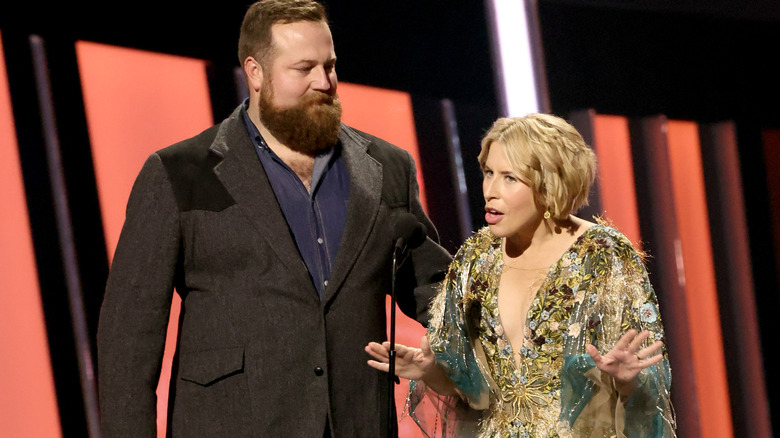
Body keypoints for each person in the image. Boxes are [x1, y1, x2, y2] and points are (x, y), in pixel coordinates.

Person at [96, 1, 452, 436]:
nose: (324, 82)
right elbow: (128, 342)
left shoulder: (387, 167)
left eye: (330, 65)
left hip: (358, 423)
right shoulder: (180, 173)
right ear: (256, 72)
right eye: (304, 69)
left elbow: (439, 293)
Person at [366, 114, 676, 437]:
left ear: (550, 183)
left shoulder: (602, 256)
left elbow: (647, 393)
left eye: (509, 178)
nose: (490, 190)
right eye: (488, 173)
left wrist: (626, 380)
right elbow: (473, 393)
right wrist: (430, 371)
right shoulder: (474, 261)